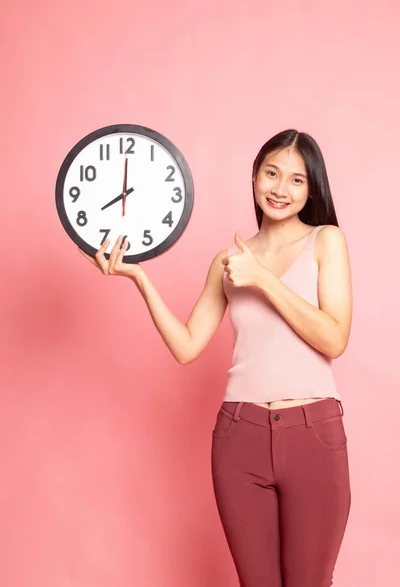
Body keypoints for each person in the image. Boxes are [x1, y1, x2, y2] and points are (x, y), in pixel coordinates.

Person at [79, 129, 352, 587]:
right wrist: (139, 278)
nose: (280, 189)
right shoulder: (227, 262)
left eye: (296, 180)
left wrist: (262, 279)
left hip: (314, 436)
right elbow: (187, 346)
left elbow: (334, 338)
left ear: (312, 189)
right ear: (254, 176)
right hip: (238, 436)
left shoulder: (325, 241)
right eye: (271, 173)